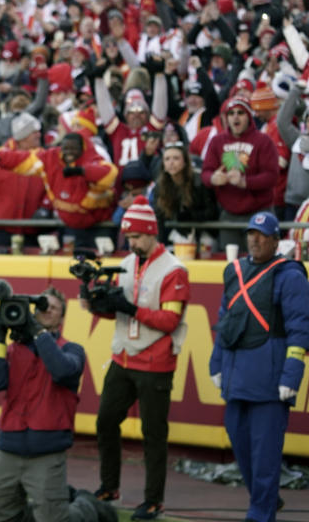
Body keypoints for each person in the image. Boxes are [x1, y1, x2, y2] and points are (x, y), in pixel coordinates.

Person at [82, 197, 189, 520]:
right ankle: (109, 486)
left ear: (152, 233)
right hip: (124, 356)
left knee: (154, 435)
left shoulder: (174, 269)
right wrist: (96, 302)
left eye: (137, 236)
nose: (132, 242)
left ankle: (154, 500)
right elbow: (119, 314)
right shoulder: (127, 262)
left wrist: (130, 309)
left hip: (155, 362)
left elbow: (169, 321)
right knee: (105, 422)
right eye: (128, 237)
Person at [209, 211, 309, 522]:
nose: (255, 239)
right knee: (242, 449)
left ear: (276, 240)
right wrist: (217, 362)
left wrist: (292, 374)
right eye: (252, 233)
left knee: (265, 457)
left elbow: (300, 328)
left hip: (270, 382)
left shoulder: (290, 276)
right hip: (236, 379)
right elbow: (225, 321)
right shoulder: (234, 271)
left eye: (263, 235)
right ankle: (267, 499)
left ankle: (260, 514)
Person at [0, 288, 113, 522]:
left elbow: (61, 371)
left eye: (54, 308)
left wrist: (38, 333)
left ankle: (85, 507)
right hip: (9, 448)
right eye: (43, 306)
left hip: (47, 452)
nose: (47, 311)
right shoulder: (13, 350)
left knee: (55, 518)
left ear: (61, 318)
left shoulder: (72, 349)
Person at [201, 97, 279, 250]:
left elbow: (272, 176)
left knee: (260, 260)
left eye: (240, 113)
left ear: (249, 117)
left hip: (259, 213)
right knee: (231, 263)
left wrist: (245, 182)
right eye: (231, 113)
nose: (235, 117)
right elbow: (205, 173)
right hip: (229, 214)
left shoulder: (263, 141)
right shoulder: (217, 142)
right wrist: (213, 178)